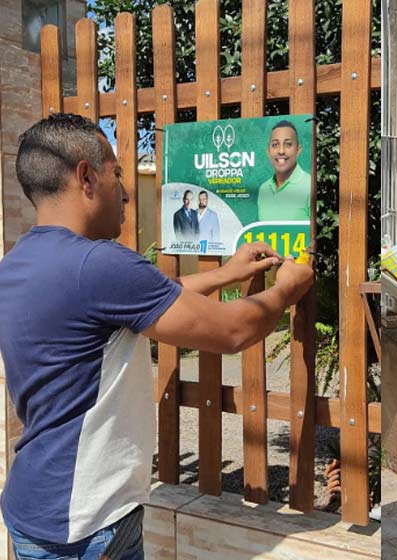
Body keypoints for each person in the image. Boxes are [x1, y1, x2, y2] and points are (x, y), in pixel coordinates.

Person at [0, 113, 314, 559]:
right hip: (87, 525)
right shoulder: (101, 265)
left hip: (29, 509)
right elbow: (232, 331)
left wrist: (226, 273)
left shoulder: (16, 265)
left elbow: (132, 308)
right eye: (118, 174)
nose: (126, 192)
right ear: (86, 177)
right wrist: (287, 289)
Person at [257, 120, 312, 222]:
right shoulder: (263, 188)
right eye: (275, 145)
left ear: (298, 150)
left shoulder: (310, 185)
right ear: (268, 151)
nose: (281, 151)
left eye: (288, 144)